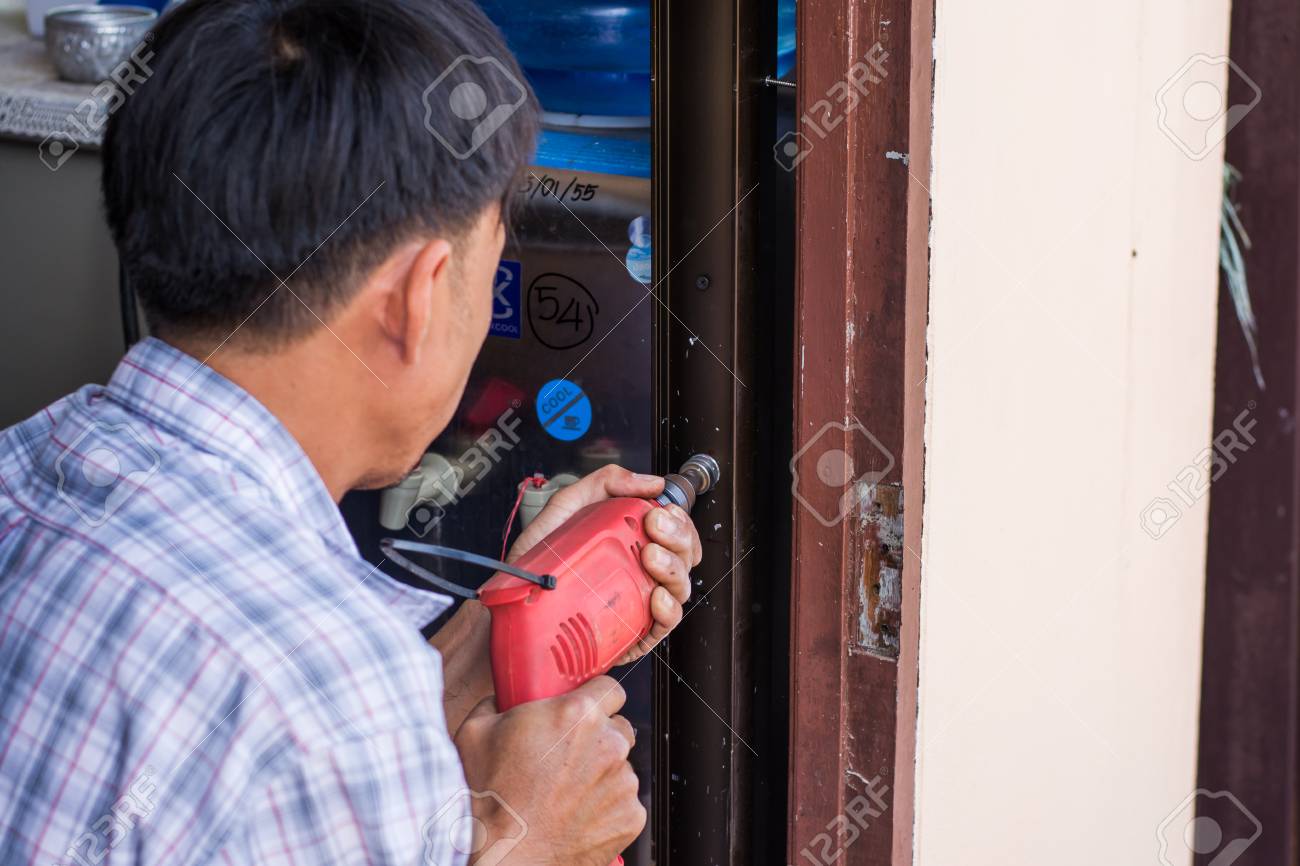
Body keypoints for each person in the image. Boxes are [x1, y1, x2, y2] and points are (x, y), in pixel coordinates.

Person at [0, 0, 702, 862]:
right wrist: (533, 842)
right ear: (419, 298)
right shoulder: (328, 694)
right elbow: (316, 714)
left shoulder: (22, 464)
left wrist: (498, 629)